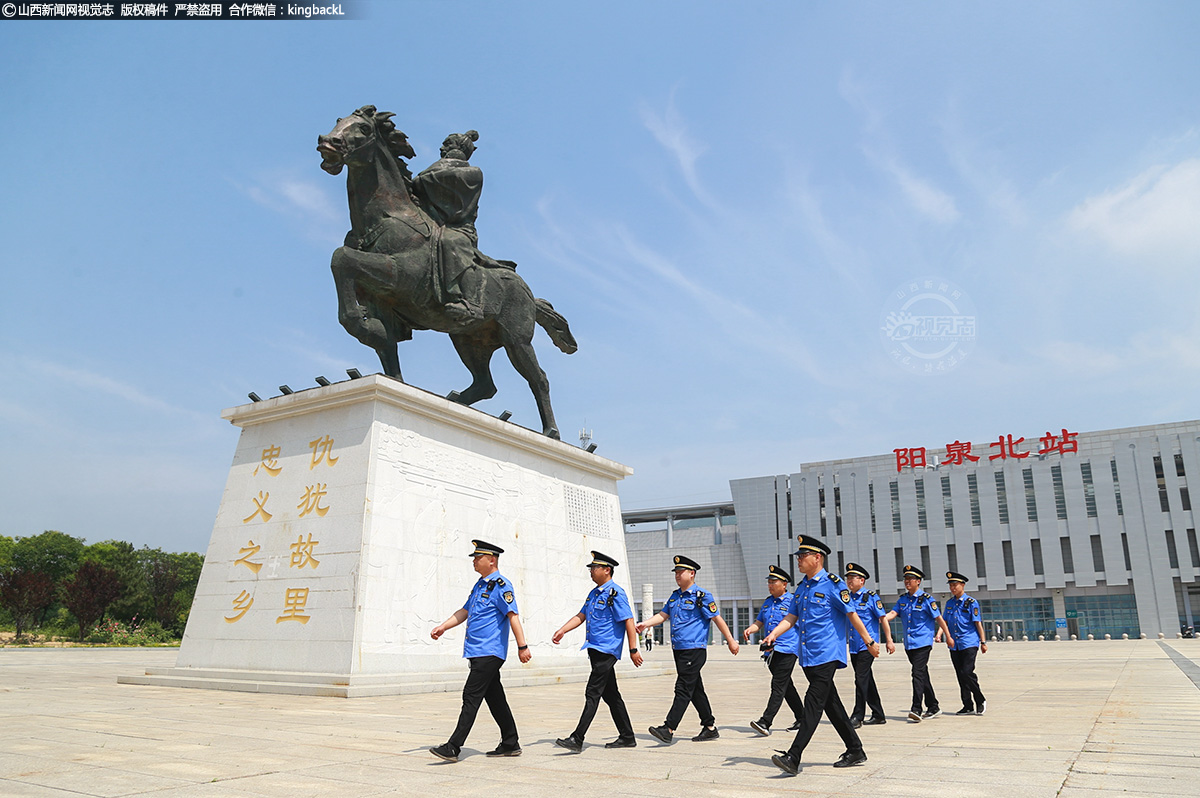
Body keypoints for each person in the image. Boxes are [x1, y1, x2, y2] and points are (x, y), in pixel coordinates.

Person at [765, 536, 880, 774]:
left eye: (802, 556)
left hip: (827, 654)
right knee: (832, 705)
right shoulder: (803, 587)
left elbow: (852, 615)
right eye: (797, 556)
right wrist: (773, 634)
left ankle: (793, 757)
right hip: (807, 654)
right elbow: (791, 617)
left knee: (813, 703)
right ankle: (855, 749)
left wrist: (869, 641)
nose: (798, 559)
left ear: (817, 557)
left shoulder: (834, 585)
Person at [429, 539, 532, 762]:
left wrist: (522, 646)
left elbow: (513, 616)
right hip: (477, 651)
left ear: (492, 560)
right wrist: (443, 627)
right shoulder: (480, 585)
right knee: (495, 699)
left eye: (478, 558)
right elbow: (464, 611)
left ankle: (453, 746)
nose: (474, 561)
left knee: (471, 696)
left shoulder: (502, 586)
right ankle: (510, 742)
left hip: (490, 652)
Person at [636, 554, 739, 743]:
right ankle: (709, 727)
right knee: (695, 689)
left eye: (680, 571)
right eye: (675, 571)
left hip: (694, 649)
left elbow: (717, 619)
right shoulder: (675, 596)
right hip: (679, 649)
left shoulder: (702, 596)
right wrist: (645, 624)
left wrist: (731, 640)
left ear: (691, 573)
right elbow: (663, 615)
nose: (677, 574)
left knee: (682, 687)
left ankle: (669, 728)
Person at [551, 551, 643, 752]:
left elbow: (628, 620)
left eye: (595, 568)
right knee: (611, 696)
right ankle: (627, 736)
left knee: (592, 693)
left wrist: (633, 649)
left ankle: (577, 738)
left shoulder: (615, 593)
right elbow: (581, 616)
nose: (591, 571)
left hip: (607, 651)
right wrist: (563, 630)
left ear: (607, 570)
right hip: (594, 649)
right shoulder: (594, 593)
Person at [412, 130, 486, 321]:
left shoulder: (472, 173)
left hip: (457, 228)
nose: (441, 148)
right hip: (431, 222)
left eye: (447, 144)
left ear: (460, 147)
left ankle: (471, 303)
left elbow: (436, 180)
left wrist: (417, 183)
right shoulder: (435, 169)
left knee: (451, 242)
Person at [882, 565, 954, 723]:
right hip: (909, 644)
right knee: (922, 675)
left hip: (923, 643)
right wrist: (880, 617)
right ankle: (933, 706)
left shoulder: (927, 600)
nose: (907, 582)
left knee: (917, 673)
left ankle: (916, 708)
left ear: (918, 581)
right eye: (905, 579)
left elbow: (939, 619)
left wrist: (947, 636)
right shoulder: (902, 600)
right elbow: (892, 614)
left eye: (911, 579)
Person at [741, 565, 805, 736]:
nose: (770, 585)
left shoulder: (793, 602)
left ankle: (766, 721)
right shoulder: (768, 601)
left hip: (788, 649)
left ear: (784, 584)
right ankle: (802, 717)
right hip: (771, 651)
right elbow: (760, 621)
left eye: (773, 582)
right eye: (768, 582)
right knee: (786, 686)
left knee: (778, 685)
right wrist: (751, 629)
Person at [845, 562, 895, 728]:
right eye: (848, 578)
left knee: (860, 679)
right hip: (853, 645)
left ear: (862, 580)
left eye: (853, 578)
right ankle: (878, 714)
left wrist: (888, 639)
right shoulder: (847, 598)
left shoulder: (871, 597)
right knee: (866, 680)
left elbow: (883, 619)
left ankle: (857, 716)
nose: (849, 581)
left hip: (868, 646)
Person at [936, 571, 988, 715]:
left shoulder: (971, 602)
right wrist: (939, 635)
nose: (953, 588)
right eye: (951, 585)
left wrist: (983, 642)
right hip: (954, 644)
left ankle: (980, 699)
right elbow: (944, 621)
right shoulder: (950, 603)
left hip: (969, 643)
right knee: (960, 674)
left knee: (967, 672)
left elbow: (978, 623)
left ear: (962, 585)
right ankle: (967, 705)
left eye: (955, 585)